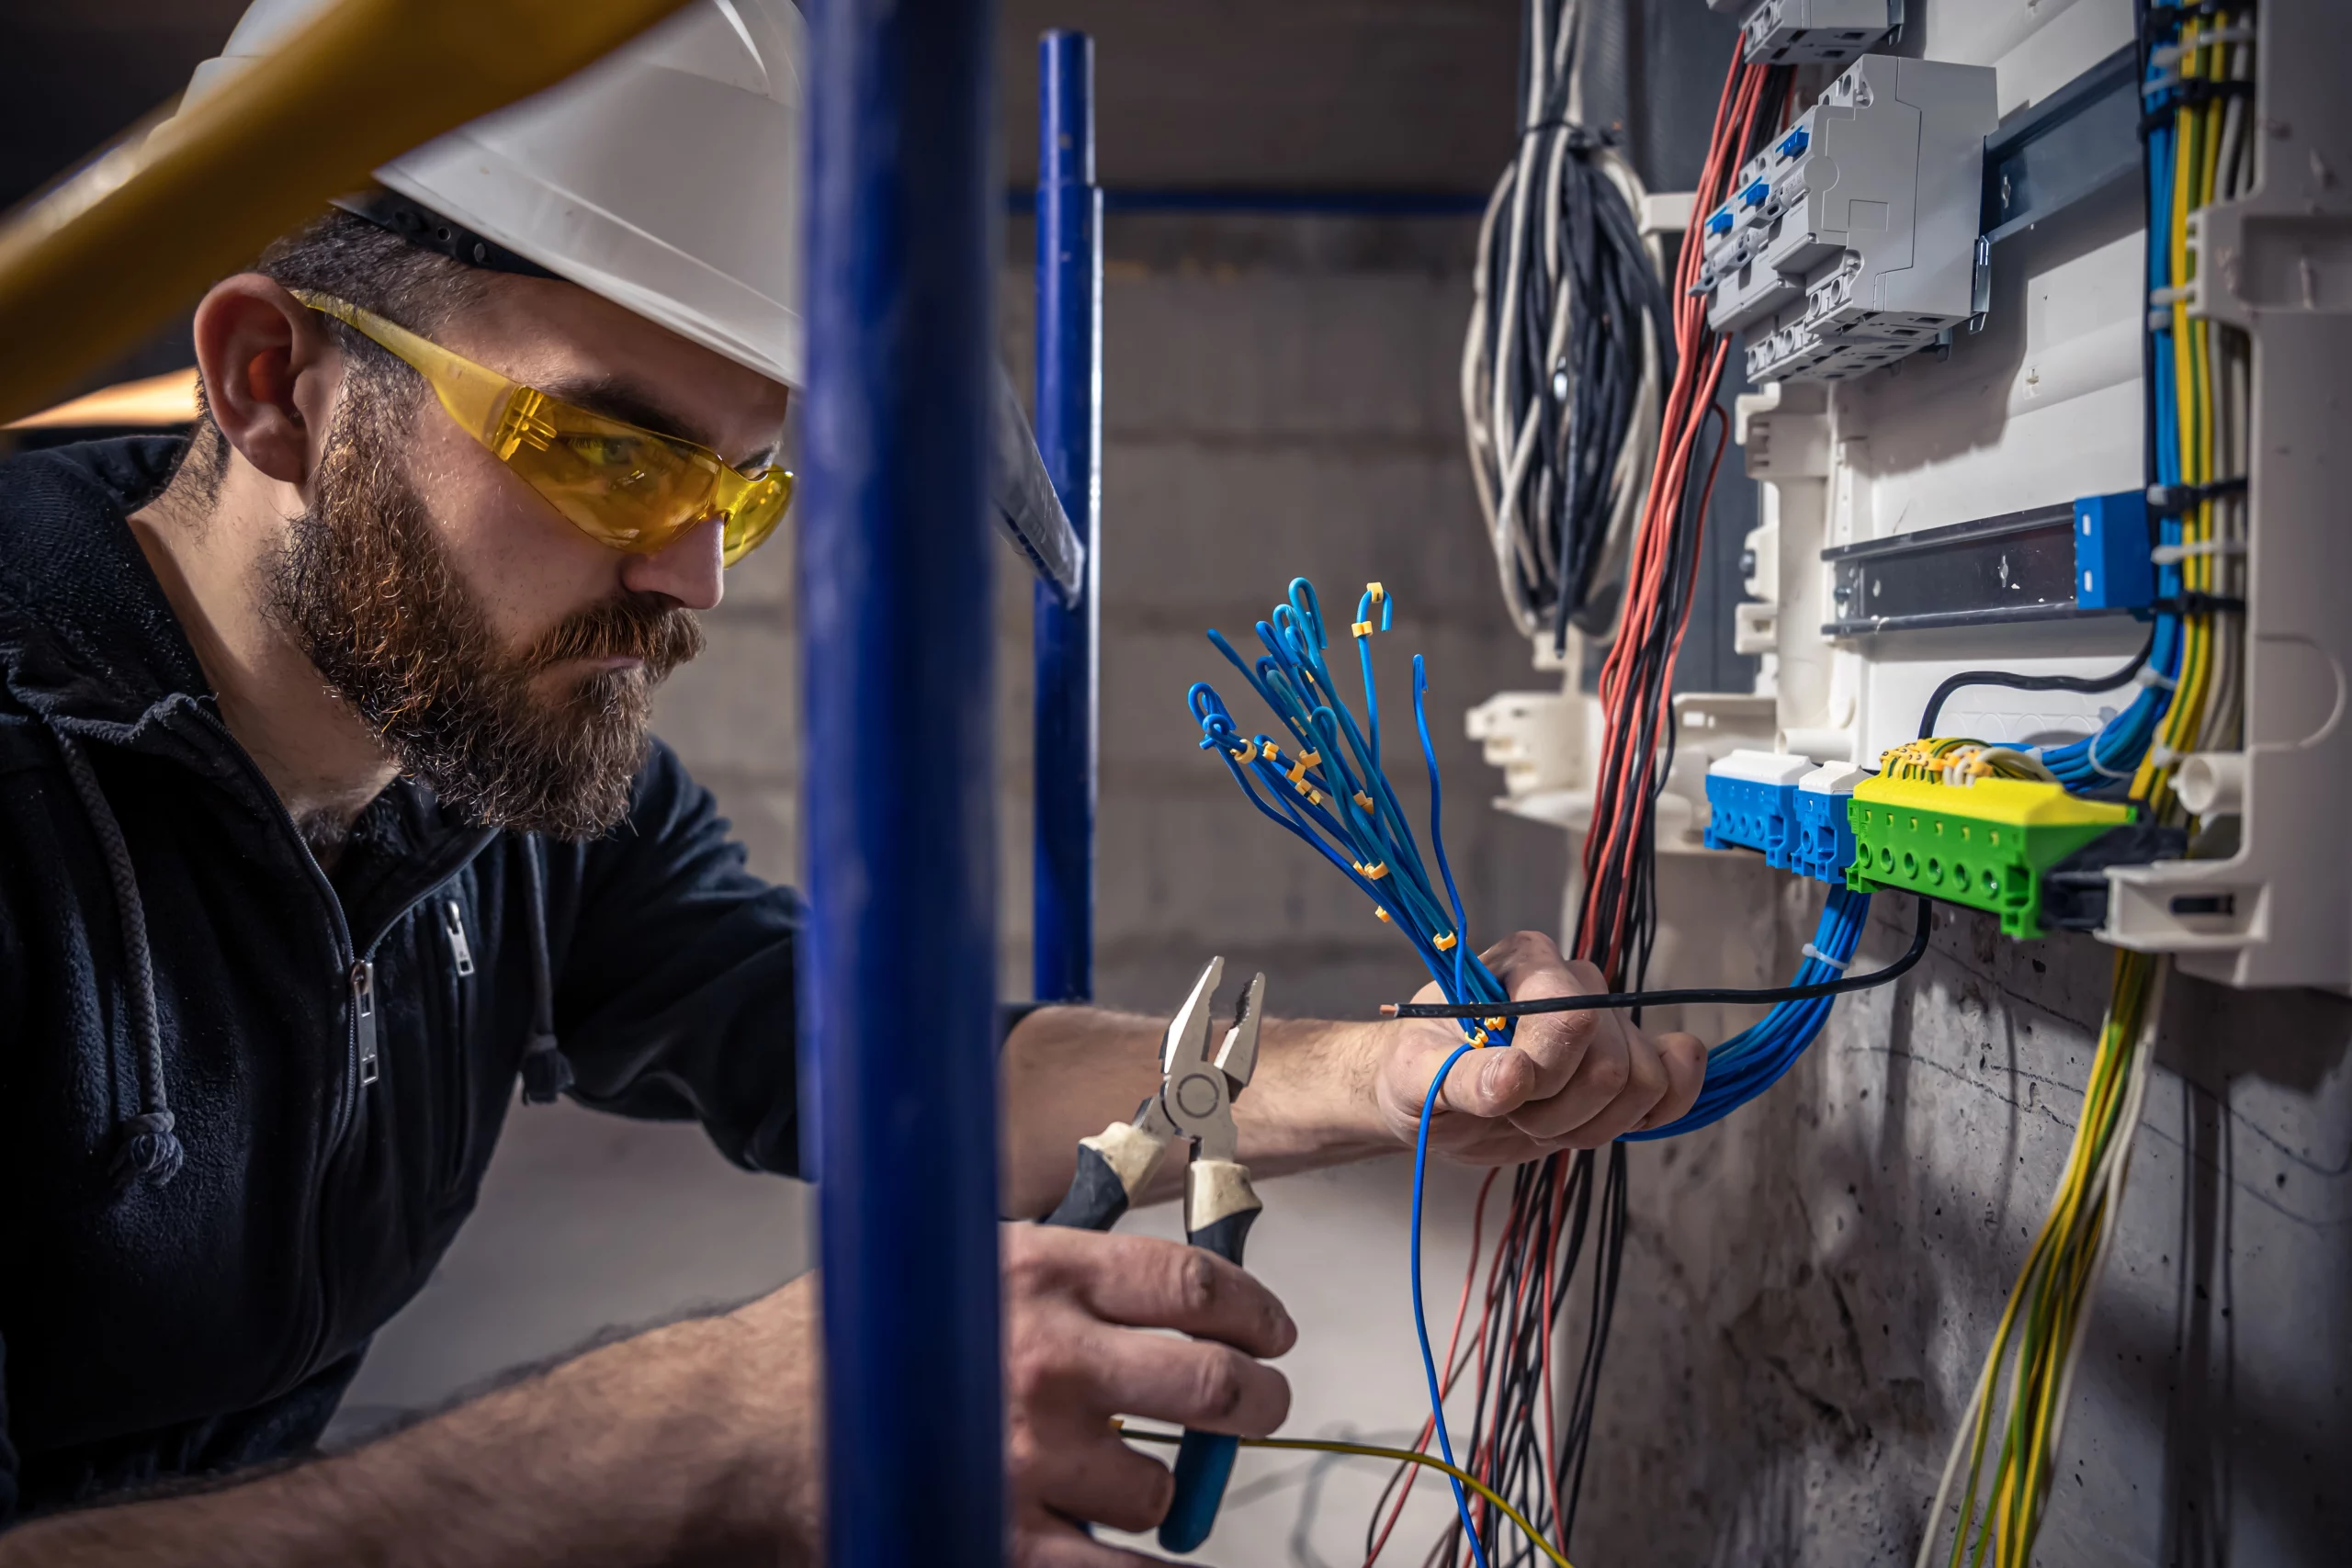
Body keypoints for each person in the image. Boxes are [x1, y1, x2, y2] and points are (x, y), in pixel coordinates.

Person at [0, 3, 1707, 1562]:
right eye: (602, 451)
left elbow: (884, 1062)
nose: (696, 577)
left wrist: (1388, 1074)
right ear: (271, 383)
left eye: (741, 490)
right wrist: (693, 1429)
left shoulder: (493, 787)